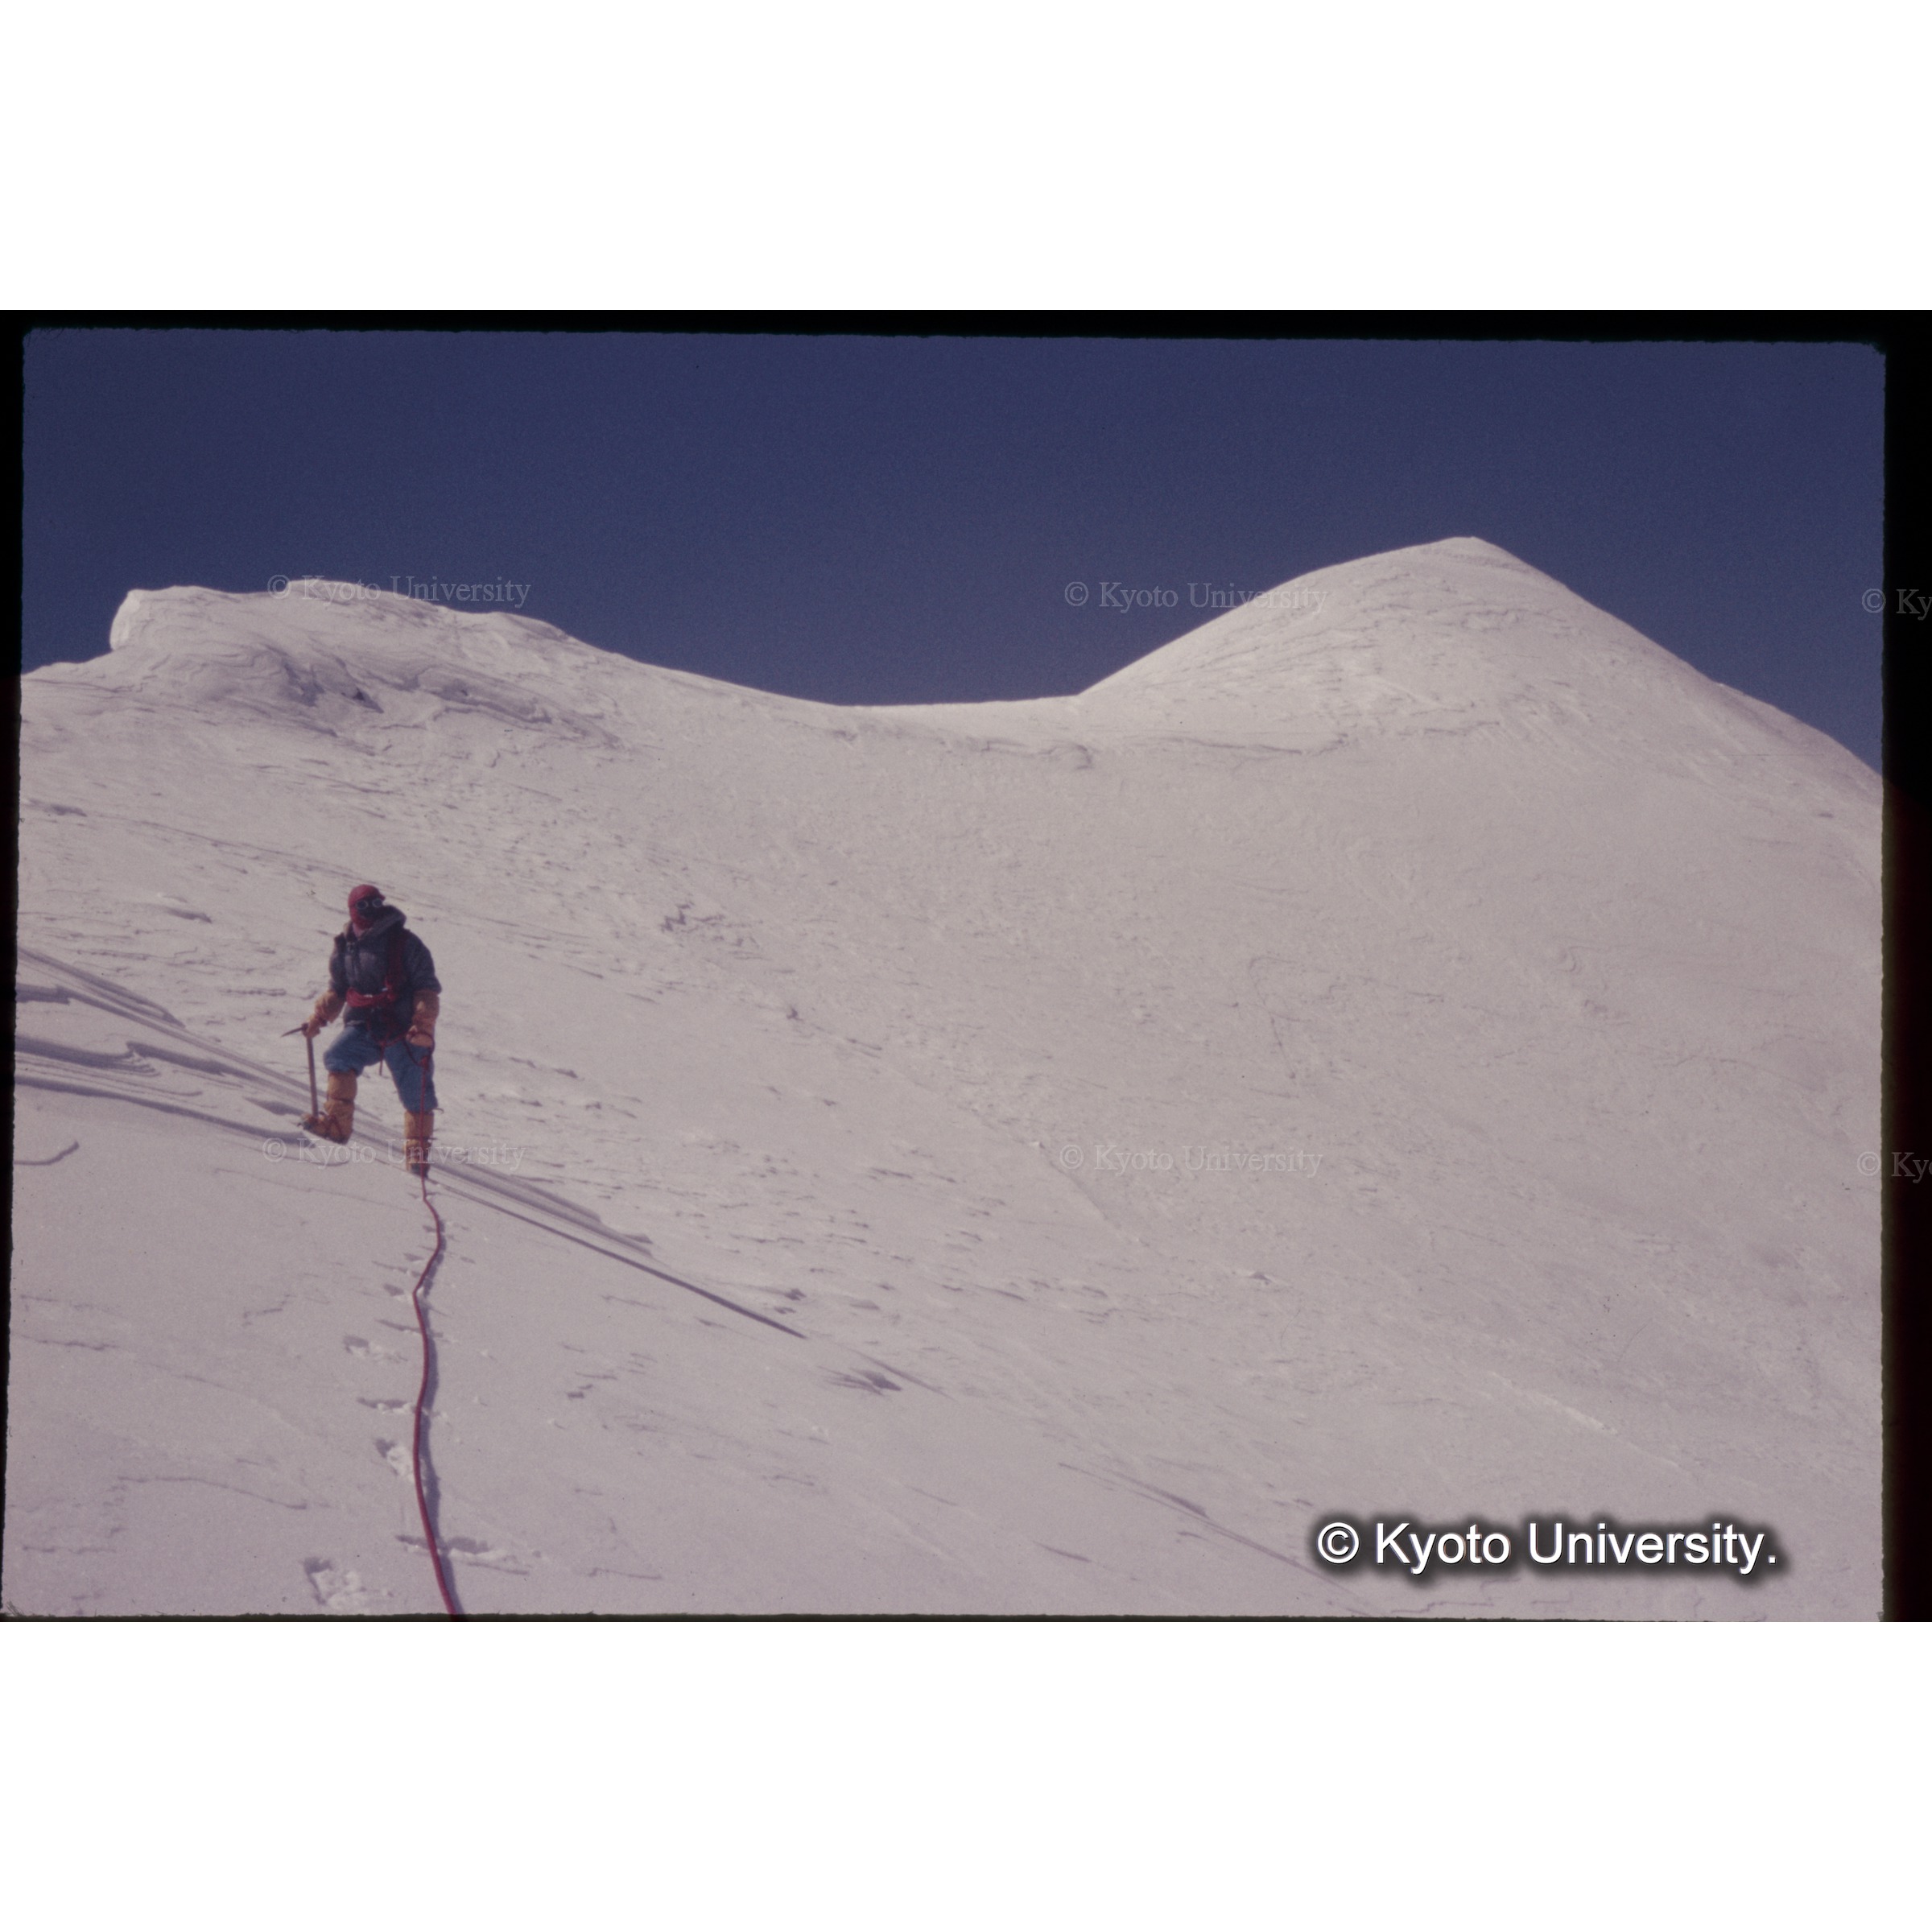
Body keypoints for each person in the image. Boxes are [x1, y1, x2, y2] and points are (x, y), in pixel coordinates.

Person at [299, 885, 442, 1175]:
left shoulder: (405, 943)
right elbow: (339, 989)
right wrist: (320, 1017)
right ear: (353, 910)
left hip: (405, 1029)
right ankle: (337, 1127)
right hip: (365, 1024)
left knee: (416, 1091)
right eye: (365, 905)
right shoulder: (345, 947)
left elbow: (426, 988)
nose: (373, 909)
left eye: (377, 902)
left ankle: (417, 1157)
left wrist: (423, 1026)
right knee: (339, 1056)